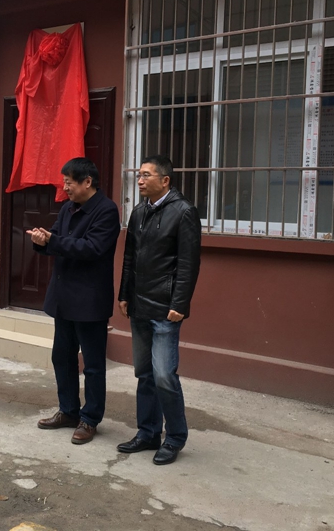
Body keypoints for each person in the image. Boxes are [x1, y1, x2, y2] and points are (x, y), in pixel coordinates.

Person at [28, 157, 121, 445]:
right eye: (64, 182)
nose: (65, 187)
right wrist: (42, 240)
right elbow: (56, 238)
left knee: (92, 364)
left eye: (69, 182)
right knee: (62, 357)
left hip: (89, 300)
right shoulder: (68, 208)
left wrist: (52, 241)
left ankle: (90, 418)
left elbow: (92, 248)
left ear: (87, 182)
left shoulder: (106, 211)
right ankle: (68, 410)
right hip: (64, 297)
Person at [117, 155, 201, 465]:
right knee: (144, 374)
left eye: (146, 175)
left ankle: (175, 438)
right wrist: (124, 294)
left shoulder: (184, 212)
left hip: (165, 308)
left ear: (165, 180)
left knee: (164, 375)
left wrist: (180, 303)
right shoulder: (139, 212)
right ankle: (148, 432)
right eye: (139, 175)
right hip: (139, 305)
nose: (139, 180)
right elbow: (129, 258)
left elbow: (189, 264)